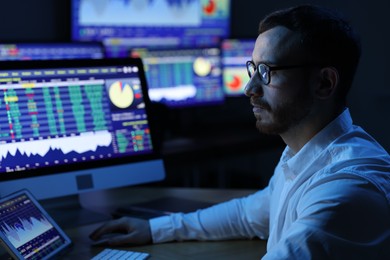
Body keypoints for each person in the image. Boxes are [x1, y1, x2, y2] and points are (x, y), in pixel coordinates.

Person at [90, 4, 390, 259]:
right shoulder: (305, 154)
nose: (249, 88)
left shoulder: (346, 191)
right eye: (253, 68)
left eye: (266, 72)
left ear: (324, 83)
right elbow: (250, 214)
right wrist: (155, 229)